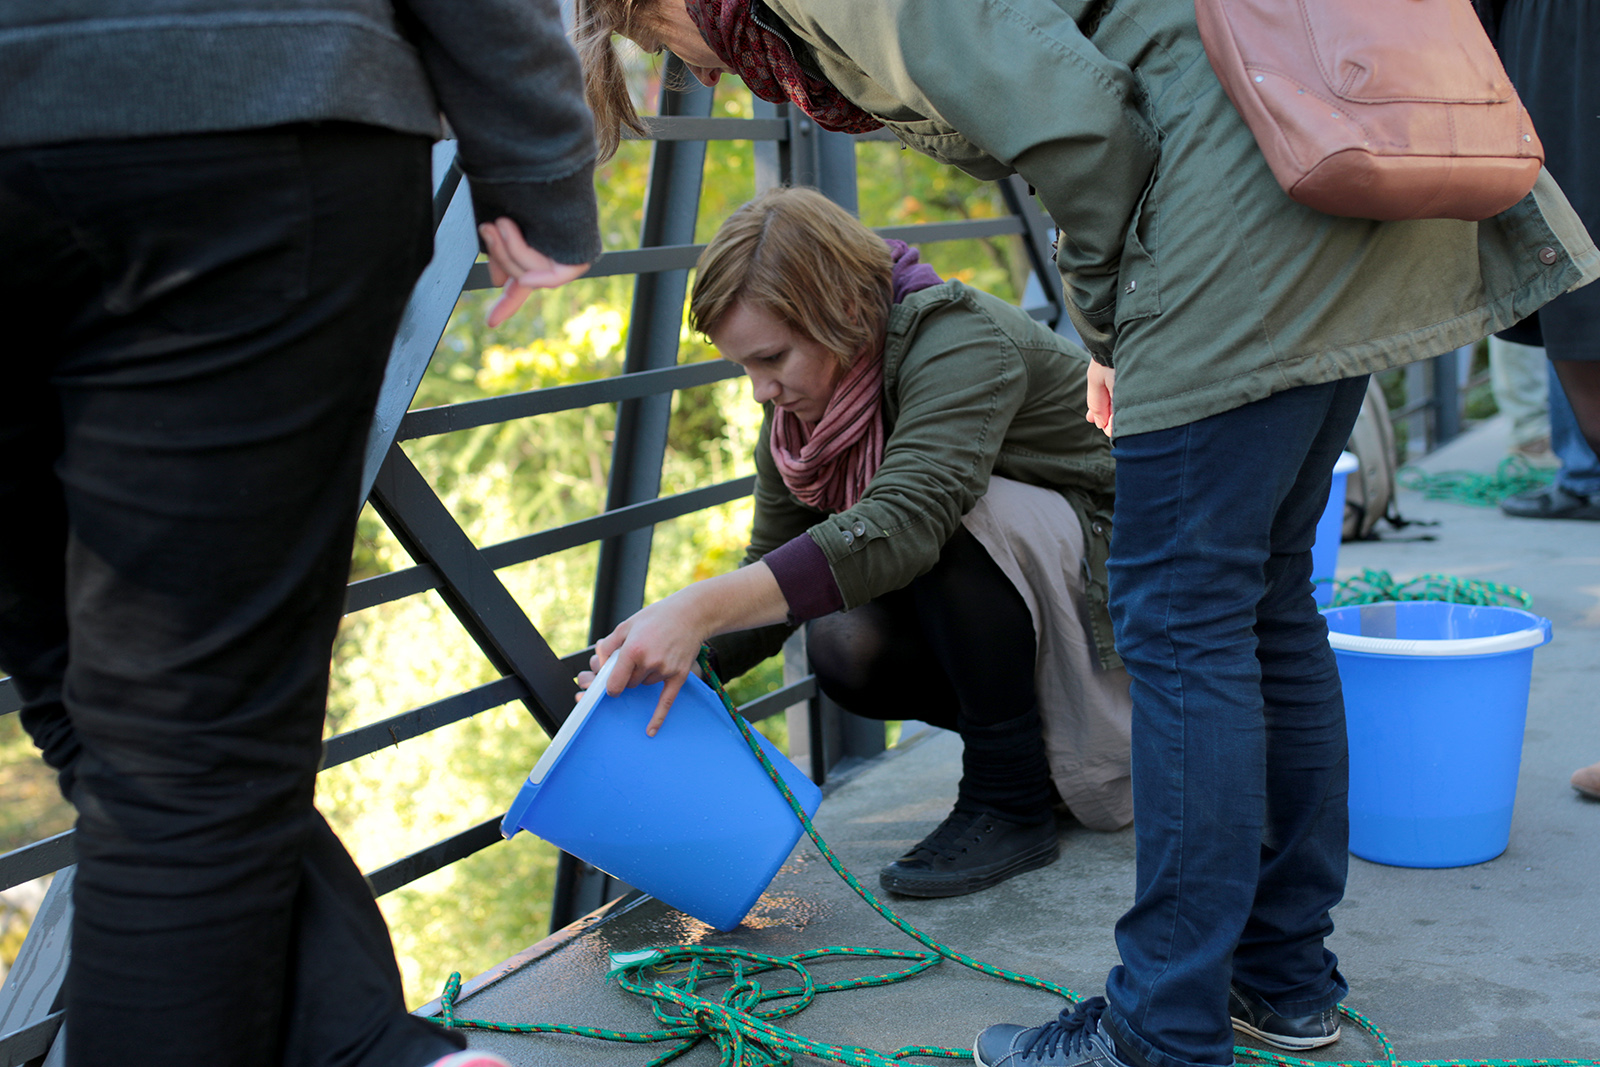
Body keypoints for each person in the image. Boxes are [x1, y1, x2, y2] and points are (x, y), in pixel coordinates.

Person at [575, 1, 1599, 1066]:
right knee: (1262, 609)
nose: (696, 72)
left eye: (657, 46)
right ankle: (1281, 982)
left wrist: (1112, 322)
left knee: (1190, 619)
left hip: (1244, 185)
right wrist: (670, 648)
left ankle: (1161, 1025)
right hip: (1316, 143)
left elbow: (1077, 117)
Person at [0, 1, 600, 1064]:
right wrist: (542, 167)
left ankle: (373, 1046)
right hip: (245, 122)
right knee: (185, 743)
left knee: (85, 693)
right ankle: (372, 1047)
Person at [581, 186, 1131, 897]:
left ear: (841, 312)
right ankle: (1042, 763)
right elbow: (770, 580)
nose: (758, 391)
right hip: (1045, 590)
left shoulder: (957, 338)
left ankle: (1010, 796)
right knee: (844, 642)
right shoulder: (807, 413)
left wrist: (695, 608)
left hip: (1131, 596)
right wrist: (662, 660)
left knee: (929, 521)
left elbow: (909, 519)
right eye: (744, 366)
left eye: (772, 357)